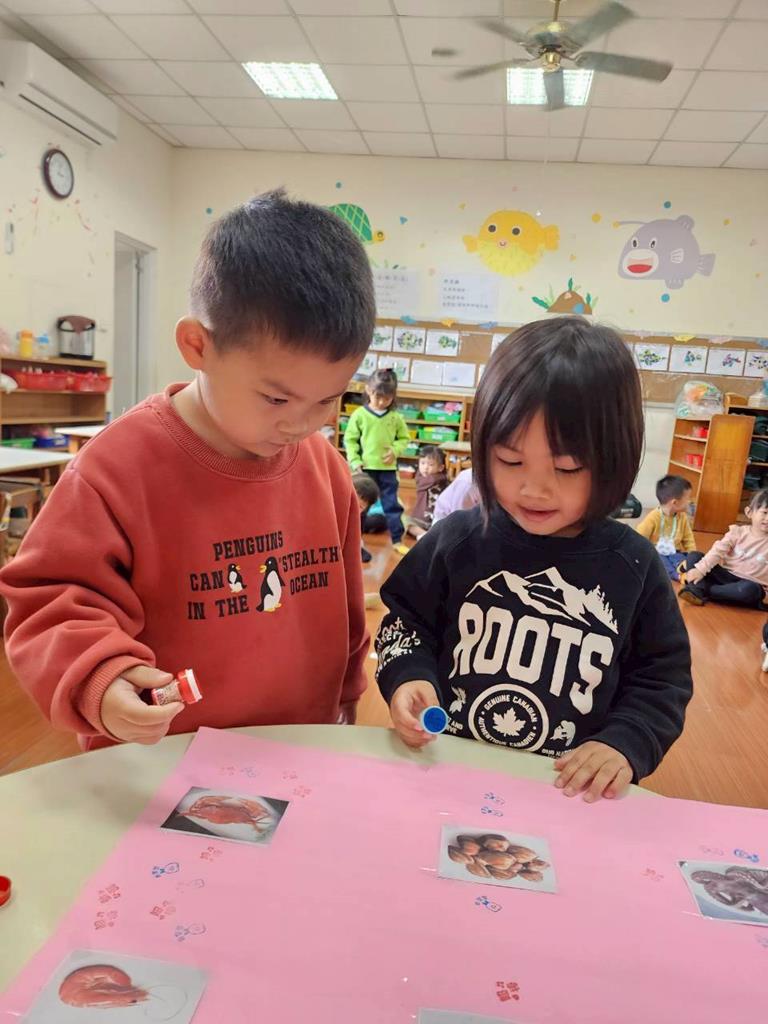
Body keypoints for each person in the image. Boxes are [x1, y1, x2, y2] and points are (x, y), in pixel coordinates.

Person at [0, 189, 376, 749]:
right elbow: (51, 599)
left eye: (327, 400)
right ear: (197, 345)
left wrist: (347, 693)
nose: (302, 425)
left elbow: (346, 609)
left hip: (299, 749)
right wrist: (101, 678)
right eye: (276, 399)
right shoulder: (117, 467)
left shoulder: (325, 468)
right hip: (162, 760)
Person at [375, 317, 692, 803]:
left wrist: (624, 743)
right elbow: (404, 623)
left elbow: (661, 678)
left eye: (567, 468)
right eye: (510, 460)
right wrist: (408, 675)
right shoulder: (457, 540)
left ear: (615, 461)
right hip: (447, 772)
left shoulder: (634, 565)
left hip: (566, 793)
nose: (534, 489)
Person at [343, 368, 411, 555]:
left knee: (392, 505)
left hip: (387, 470)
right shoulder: (359, 415)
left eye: (387, 398)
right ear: (368, 390)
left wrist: (395, 450)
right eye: (377, 397)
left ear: (393, 396)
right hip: (364, 471)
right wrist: (355, 461)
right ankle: (355, 542)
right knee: (360, 507)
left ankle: (397, 540)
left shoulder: (396, 418)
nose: (381, 402)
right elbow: (350, 440)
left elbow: (404, 438)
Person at [679, 489, 768, 608]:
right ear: (749, 512)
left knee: (750, 590)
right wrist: (700, 570)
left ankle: (701, 589)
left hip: (749, 585)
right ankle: (697, 589)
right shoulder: (737, 532)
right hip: (725, 576)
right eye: (764, 512)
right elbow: (717, 551)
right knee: (694, 556)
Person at [636, 475, 695, 580]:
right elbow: (639, 537)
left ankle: (682, 568)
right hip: (657, 553)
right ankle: (678, 576)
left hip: (675, 552)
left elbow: (688, 539)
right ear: (675, 502)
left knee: (681, 558)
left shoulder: (682, 517)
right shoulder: (653, 517)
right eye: (687, 498)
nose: (689, 502)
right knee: (660, 562)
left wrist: (693, 555)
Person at [405, 445, 449, 541]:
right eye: (422, 463)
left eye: (430, 465)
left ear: (441, 467)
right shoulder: (443, 478)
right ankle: (426, 536)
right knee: (406, 522)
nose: (425, 467)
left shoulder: (424, 480)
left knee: (404, 521)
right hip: (429, 521)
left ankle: (424, 535)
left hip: (432, 521)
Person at [351, 472, 382, 564]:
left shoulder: (361, 515)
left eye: (360, 507)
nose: (354, 508)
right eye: (353, 501)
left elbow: (358, 533)